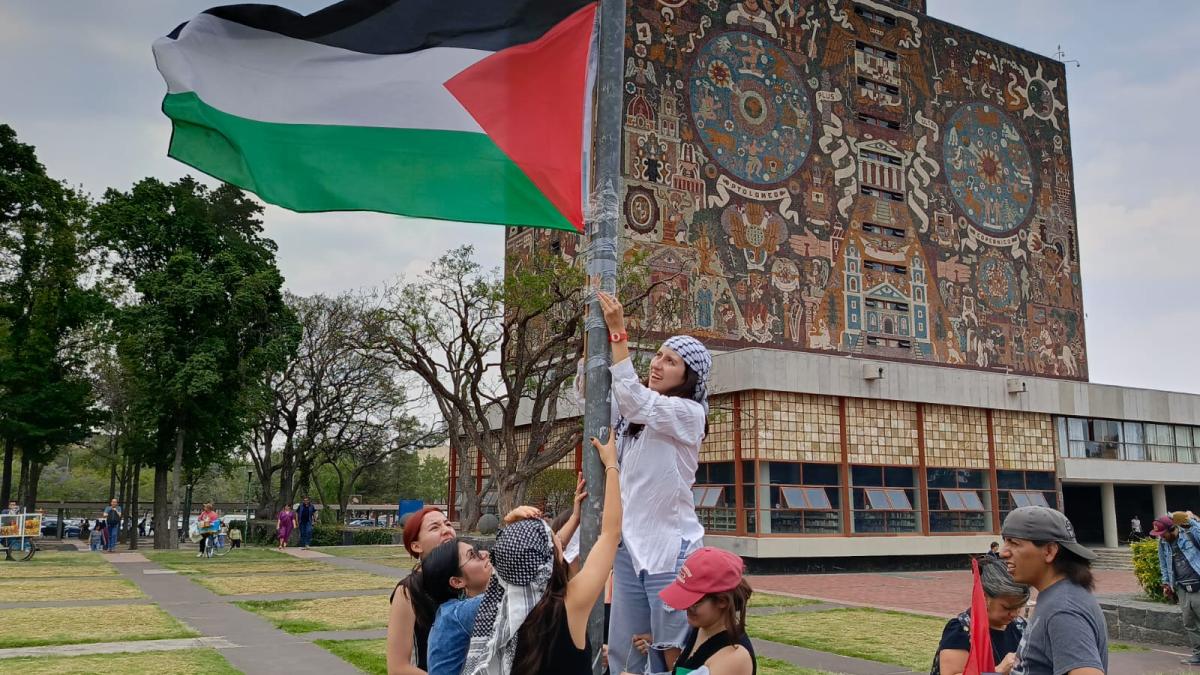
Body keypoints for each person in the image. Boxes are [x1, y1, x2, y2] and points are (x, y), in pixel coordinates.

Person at [589, 292, 712, 674]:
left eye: (670, 361)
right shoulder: (635, 417)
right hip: (630, 548)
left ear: (687, 376)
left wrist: (617, 334)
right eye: (658, 355)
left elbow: (634, 399)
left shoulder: (689, 414)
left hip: (670, 552)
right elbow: (590, 393)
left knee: (670, 653)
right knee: (628, 652)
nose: (658, 364)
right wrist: (591, 334)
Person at [462, 433, 622, 675]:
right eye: (555, 540)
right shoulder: (570, 606)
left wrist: (512, 523)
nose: (559, 539)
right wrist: (612, 464)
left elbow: (512, 556)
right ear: (551, 562)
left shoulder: (500, 614)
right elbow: (611, 533)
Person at [999, 506, 1106, 675]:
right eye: (1005, 541)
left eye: (1014, 543)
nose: (1002, 552)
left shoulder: (1064, 609)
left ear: (1049, 551)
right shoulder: (1057, 596)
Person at [657, 547, 756, 675]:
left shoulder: (734, 657)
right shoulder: (703, 628)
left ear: (722, 601)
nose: (686, 607)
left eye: (694, 602)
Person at [931, 555, 1029, 675]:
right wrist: (999, 671)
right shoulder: (962, 630)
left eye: (1019, 607)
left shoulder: (1020, 626)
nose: (1014, 614)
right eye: (1007, 607)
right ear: (984, 597)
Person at [387, 506, 456, 675]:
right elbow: (398, 668)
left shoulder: (471, 576)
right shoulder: (408, 591)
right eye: (435, 527)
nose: (446, 530)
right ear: (416, 546)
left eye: (448, 524)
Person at [422, 538, 494, 675]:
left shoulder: (448, 612)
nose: (485, 553)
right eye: (472, 555)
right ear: (457, 581)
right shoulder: (458, 613)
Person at [1150, 511, 1200, 665]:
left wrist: (1190, 520)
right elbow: (1164, 564)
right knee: (1189, 622)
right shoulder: (1163, 543)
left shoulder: (1191, 534)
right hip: (1181, 587)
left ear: (1172, 529)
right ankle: (1198, 654)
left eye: (1163, 533)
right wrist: (1167, 583)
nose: (1161, 536)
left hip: (1198, 583)